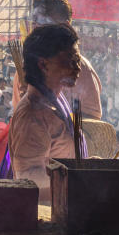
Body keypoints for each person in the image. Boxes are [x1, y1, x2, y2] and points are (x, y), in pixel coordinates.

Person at [8, 24, 86, 201]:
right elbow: (27, 175)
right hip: (45, 212)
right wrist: (75, 175)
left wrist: (86, 166)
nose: (78, 67)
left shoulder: (55, 99)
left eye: (78, 60)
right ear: (43, 64)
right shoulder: (32, 113)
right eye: (71, 60)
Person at [12, 0, 103, 119]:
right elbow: (18, 116)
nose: (37, 31)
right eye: (35, 24)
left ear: (66, 27)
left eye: (44, 25)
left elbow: (91, 123)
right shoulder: (26, 66)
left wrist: (53, 119)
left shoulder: (78, 67)